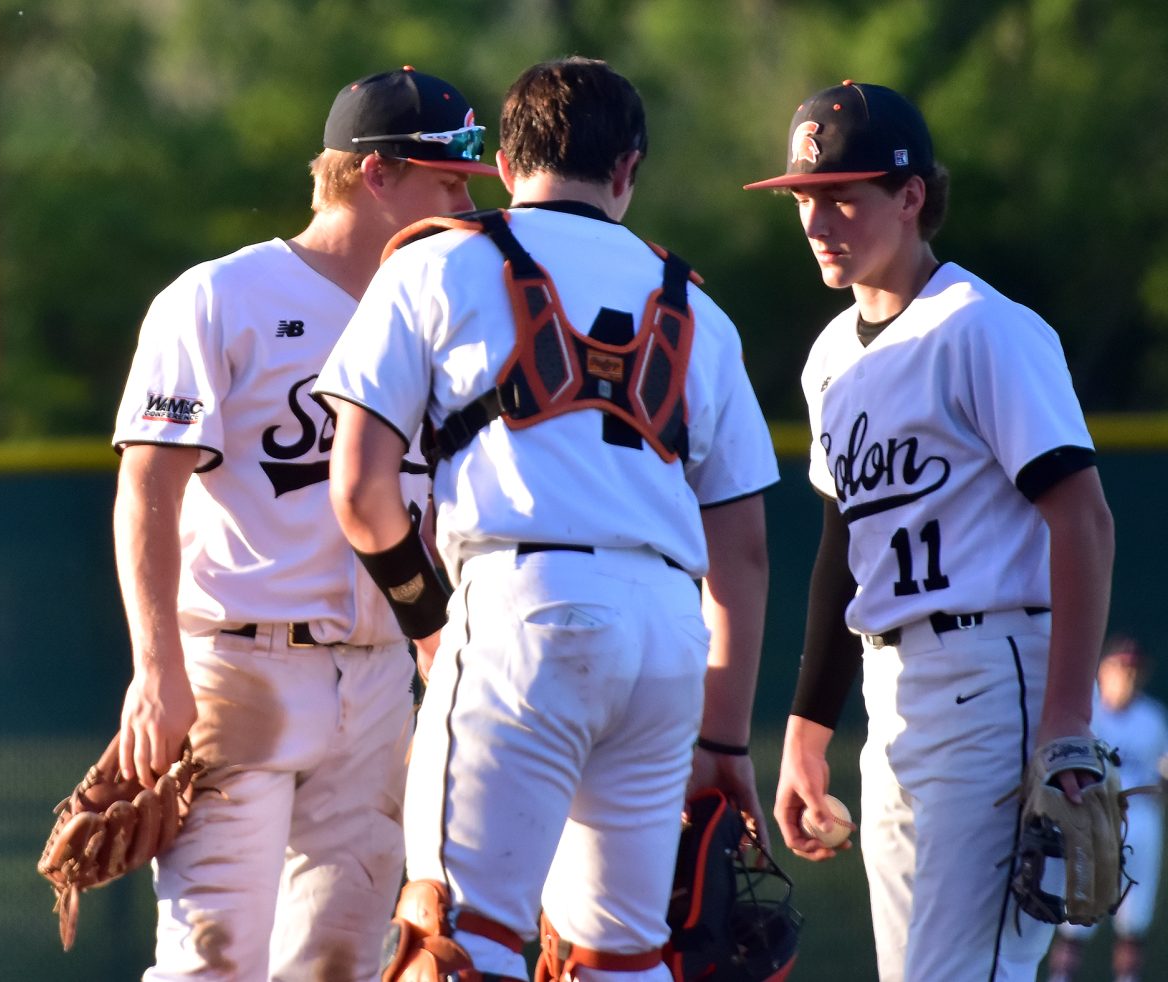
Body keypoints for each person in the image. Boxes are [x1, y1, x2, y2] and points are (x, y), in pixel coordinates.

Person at [315, 56, 779, 982]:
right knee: (622, 953)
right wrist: (725, 737)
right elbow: (747, 551)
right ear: (628, 169)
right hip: (665, 639)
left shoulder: (436, 261)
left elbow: (360, 491)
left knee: (454, 939)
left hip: (519, 607)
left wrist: (429, 625)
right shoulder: (701, 309)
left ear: (507, 159)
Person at [111, 66, 498, 980]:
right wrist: (157, 668)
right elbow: (146, 488)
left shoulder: (442, 315)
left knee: (339, 965)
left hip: (377, 683)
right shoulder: (220, 296)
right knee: (214, 962)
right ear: (375, 173)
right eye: (447, 180)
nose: (463, 204)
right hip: (239, 667)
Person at [744, 81, 1116, 982]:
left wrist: (1064, 721)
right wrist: (805, 728)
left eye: (842, 195)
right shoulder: (830, 356)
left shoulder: (983, 328)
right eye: (803, 196)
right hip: (892, 688)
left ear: (911, 197)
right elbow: (845, 546)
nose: (816, 218)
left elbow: (1086, 519)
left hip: (996, 678)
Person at [1047, 636, 1168, 982]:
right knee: (1077, 920)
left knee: (1135, 922)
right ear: (1103, 671)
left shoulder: (1154, 718)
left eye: (1134, 670)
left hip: (1142, 819)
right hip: (1093, 820)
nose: (1128, 676)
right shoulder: (1087, 713)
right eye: (1121, 668)